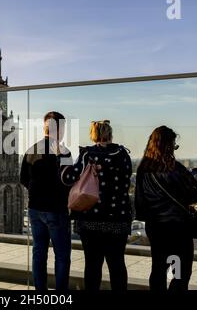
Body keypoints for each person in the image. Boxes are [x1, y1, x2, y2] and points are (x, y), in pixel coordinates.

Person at [61, 120, 132, 291]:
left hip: (91, 219)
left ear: (93, 134)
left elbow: (67, 178)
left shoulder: (88, 154)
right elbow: (126, 181)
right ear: (110, 133)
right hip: (118, 219)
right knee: (117, 265)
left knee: (92, 266)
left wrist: (63, 158)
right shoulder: (123, 154)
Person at [134, 126, 197, 291]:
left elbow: (140, 202)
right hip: (176, 228)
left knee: (159, 268)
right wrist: (196, 177)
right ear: (168, 145)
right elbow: (192, 195)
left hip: (155, 227)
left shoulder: (143, 168)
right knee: (179, 272)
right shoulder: (174, 168)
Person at [20, 111, 72, 291]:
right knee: (62, 256)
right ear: (60, 129)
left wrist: (38, 193)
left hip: (35, 210)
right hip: (56, 210)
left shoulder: (31, 150)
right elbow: (69, 182)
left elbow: (24, 179)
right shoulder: (64, 152)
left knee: (39, 253)